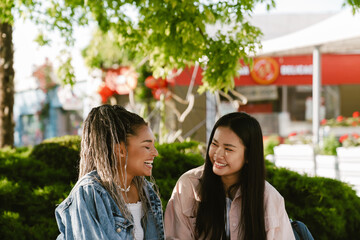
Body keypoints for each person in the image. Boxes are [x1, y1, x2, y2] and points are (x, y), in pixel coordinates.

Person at [164, 112, 295, 240]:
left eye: (228, 149)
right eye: (214, 144)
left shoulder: (270, 198)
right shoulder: (188, 185)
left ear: (249, 156)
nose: (218, 154)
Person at [55, 104, 164, 240]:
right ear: (120, 150)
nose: (155, 153)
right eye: (147, 146)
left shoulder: (146, 191)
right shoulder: (90, 192)